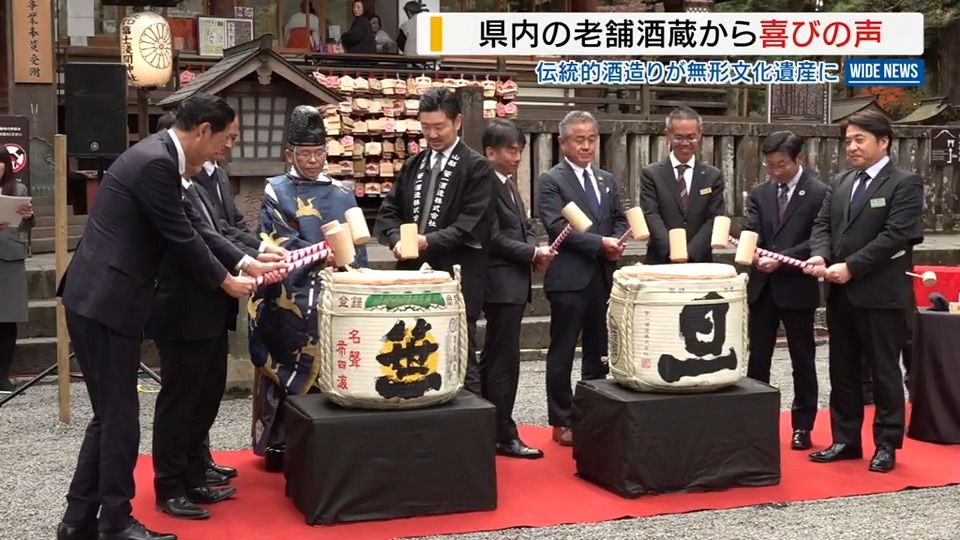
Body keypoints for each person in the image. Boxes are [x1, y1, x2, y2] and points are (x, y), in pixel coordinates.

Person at [55, 94, 282, 540]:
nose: (225, 149)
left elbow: (199, 229)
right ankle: (115, 522)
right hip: (105, 300)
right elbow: (182, 236)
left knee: (108, 416)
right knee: (119, 417)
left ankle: (78, 520)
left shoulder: (161, 156)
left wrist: (247, 262)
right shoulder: (157, 163)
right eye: (224, 138)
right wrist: (226, 281)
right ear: (202, 131)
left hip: (101, 299)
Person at [146, 115, 286, 520]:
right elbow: (195, 240)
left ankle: (192, 473)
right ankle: (170, 484)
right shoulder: (170, 183)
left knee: (206, 395)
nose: (223, 148)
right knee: (180, 400)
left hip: (208, 307)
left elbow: (225, 229)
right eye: (222, 140)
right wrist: (239, 270)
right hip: (182, 307)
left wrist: (257, 253)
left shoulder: (204, 181)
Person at [804, 110, 924, 473]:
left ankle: (887, 442)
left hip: (882, 293)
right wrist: (820, 255)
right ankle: (845, 439)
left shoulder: (904, 183)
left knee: (884, 371)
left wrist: (851, 265)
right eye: (848, 141)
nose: (852, 147)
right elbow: (823, 224)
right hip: (840, 293)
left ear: (883, 142)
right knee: (842, 369)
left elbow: (896, 235)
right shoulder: (841, 182)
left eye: (860, 139)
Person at [248, 105, 368, 467]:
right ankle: (278, 443)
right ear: (290, 154)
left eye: (318, 153)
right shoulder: (276, 191)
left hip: (330, 293)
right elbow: (273, 241)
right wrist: (321, 255)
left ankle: (324, 442)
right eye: (305, 154)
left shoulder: (343, 193)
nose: (313, 160)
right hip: (290, 292)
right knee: (282, 364)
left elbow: (357, 249)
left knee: (332, 366)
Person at [374, 88, 497, 397]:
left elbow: (472, 224)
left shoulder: (477, 167)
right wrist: (395, 240)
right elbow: (388, 212)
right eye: (426, 127)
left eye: (438, 126)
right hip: (413, 272)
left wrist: (427, 241)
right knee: (411, 351)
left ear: (457, 122)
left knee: (459, 351)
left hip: (457, 274)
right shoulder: (414, 165)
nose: (432, 134)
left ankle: (472, 428)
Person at [537, 110, 627, 447]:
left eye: (591, 139)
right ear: (563, 143)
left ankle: (591, 414)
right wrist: (598, 243)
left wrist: (618, 240)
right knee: (562, 350)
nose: (587, 146)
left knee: (598, 350)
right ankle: (560, 420)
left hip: (602, 275)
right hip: (569, 277)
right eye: (579, 139)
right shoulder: (552, 180)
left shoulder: (605, 178)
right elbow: (556, 227)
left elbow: (618, 217)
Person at [743, 131, 827, 451]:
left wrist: (783, 259)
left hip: (796, 284)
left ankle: (802, 426)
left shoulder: (819, 192)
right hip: (763, 288)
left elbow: (820, 237)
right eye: (770, 165)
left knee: (802, 358)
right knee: (758, 359)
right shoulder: (761, 194)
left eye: (782, 165)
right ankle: (755, 422)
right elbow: (751, 231)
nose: (776, 171)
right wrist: (754, 253)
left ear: (799, 160)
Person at [480, 119, 553, 459]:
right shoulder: (485, 185)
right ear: (490, 151)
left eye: (520, 149)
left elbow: (520, 229)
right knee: (502, 361)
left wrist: (535, 252)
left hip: (515, 278)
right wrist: (531, 252)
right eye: (511, 149)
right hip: (499, 282)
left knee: (500, 358)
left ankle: (495, 428)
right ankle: (502, 433)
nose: (517, 156)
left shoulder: (507, 183)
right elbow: (492, 237)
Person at [640, 106, 725, 264]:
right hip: (660, 259)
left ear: (699, 134)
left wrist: (690, 253)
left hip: (699, 260)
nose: (685, 143)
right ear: (668, 135)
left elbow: (714, 218)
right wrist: (674, 252)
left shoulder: (713, 176)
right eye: (679, 137)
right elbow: (651, 215)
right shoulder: (651, 174)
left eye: (691, 137)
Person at [0, 146, 34, 393]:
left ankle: (3, 375)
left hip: (9, 255)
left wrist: (29, 215)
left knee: (7, 319)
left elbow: (27, 226)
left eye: (1, 162)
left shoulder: (18, 189)